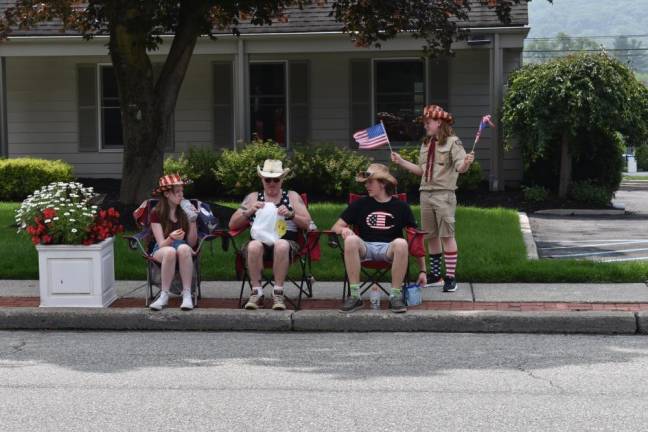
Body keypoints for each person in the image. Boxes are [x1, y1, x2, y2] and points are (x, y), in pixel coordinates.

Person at [390, 105, 474, 292]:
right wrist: (401, 161)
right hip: (425, 193)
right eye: (425, 122)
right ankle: (436, 276)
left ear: (439, 122)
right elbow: (421, 170)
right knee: (430, 236)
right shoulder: (426, 143)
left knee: (447, 235)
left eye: (428, 122)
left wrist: (466, 163)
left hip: (444, 194)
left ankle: (450, 277)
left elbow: (460, 166)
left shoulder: (453, 142)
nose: (425, 125)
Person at [331, 163, 426, 313]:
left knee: (401, 243)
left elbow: (416, 237)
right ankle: (355, 296)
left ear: (382, 183)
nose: (366, 186)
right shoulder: (360, 204)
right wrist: (343, 231)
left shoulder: (401, 206)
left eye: (370, 182)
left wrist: (423, 270)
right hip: (365, 247)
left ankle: (395, 296)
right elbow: (335, 227)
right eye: (366, 182)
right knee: (350, 240)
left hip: (389, 249)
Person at [229, 159, 312, 310]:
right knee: (253, 246)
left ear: (282, 180)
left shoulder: (292, 196)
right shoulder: (253, 197)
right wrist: (250, 211)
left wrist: (291, 214)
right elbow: (232, 224)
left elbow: (307, 223)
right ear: (262, 180)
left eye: (276, 179)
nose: (272, 183)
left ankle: (278, 293)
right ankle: (257, 293)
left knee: (281, 245)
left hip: (287, 242)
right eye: (268, 179)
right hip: (259, 241)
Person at [148, 174, 198, 311]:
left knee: (184, 249)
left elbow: (192, 243)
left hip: (182, 248)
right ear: (167, 194)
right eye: (177, 192)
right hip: (162, 248)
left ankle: (187, 294)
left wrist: (193, 221)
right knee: (170, 251)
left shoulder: (184, 210)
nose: (181, 195)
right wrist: (171, 238)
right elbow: (162, 244)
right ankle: (164, 295)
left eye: (182, 191)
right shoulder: (156, 213)